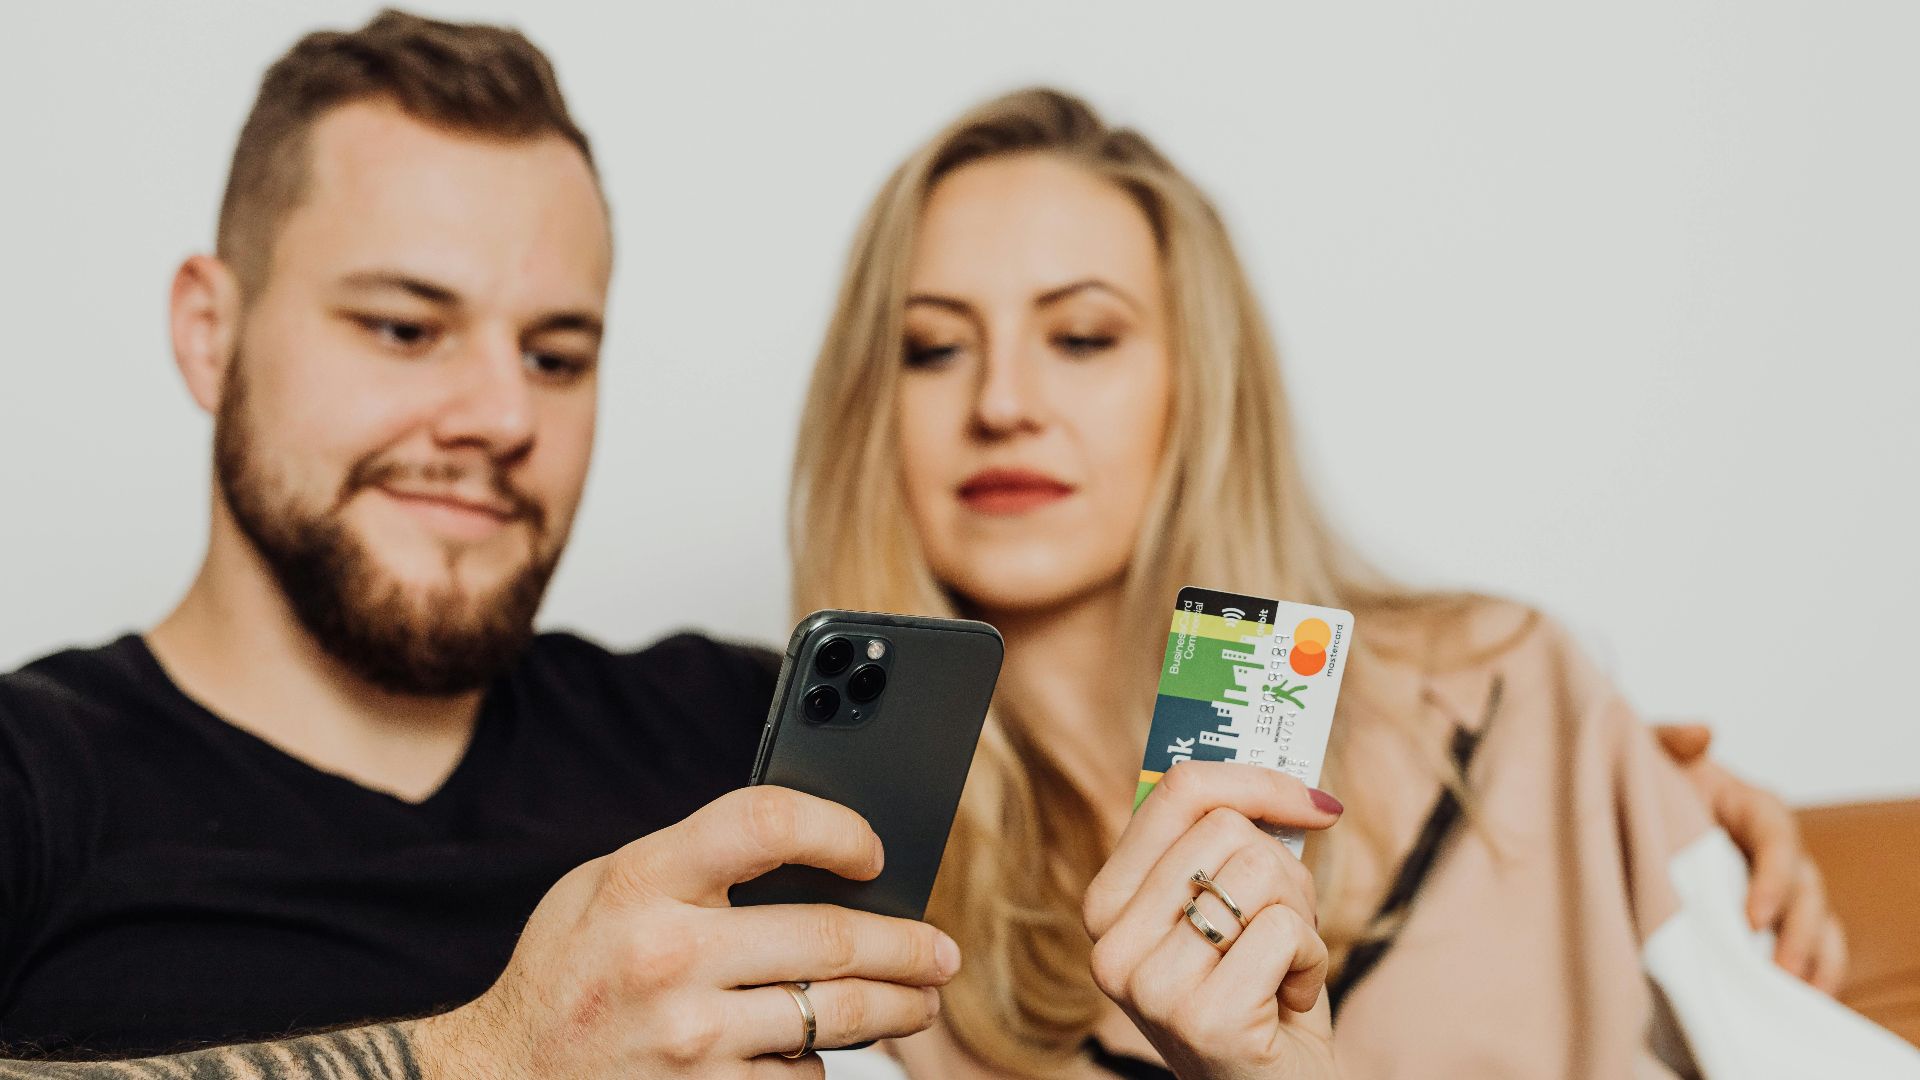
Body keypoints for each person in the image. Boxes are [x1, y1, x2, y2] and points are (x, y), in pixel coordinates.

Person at [784, 88, 1852, 1078]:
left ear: (1200, 382)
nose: (1004, 402)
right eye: (932, 348)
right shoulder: (863, 895)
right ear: (866, 406)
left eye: (1081, 335)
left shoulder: (1510, 697)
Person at [0, 12, 958, 1076]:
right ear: (210, 336)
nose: (503, 417)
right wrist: (497, 1056)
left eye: (553, 356)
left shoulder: (742, 750)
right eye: (406, 329)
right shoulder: (32, 777)